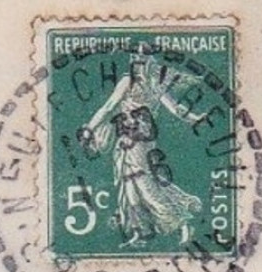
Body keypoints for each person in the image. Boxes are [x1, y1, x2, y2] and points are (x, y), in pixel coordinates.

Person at [77, 52, 203, 248]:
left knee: (144, 184)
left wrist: (89, 129)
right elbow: (176, 109)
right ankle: (140, 231)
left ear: (150, 62)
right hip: (126, 140)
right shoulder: (148, 82)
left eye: (143, 60)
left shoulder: (143, 82)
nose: (139, 64)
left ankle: (182, 222)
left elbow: (109, 107)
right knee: (129, 186)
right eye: (137, 60)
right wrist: (194, 118)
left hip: (139, 142)